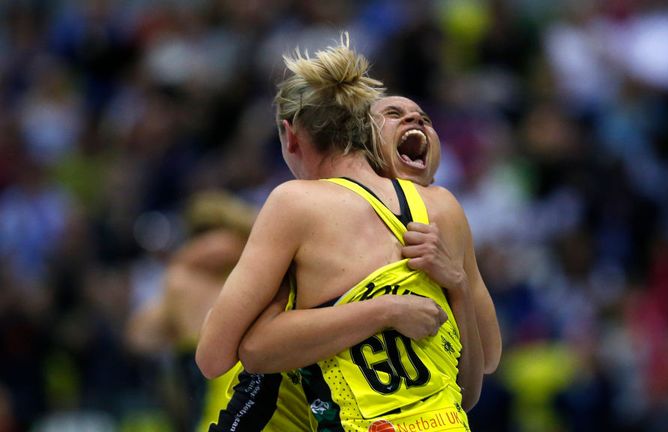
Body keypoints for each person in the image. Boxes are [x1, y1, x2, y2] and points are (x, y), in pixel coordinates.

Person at [196, 34, 485, 431]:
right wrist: (442, 292)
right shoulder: (439, 205)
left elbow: (213, 357)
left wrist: (387, 309)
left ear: (289, 134)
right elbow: (474, 380)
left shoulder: (295, 202)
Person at [125, 190, 256, 432]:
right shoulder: (181, 280)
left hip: (232, 389)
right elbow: (140, 338)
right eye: (199, 234)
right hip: (200, 388)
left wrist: (179, 259)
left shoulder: (250, 265)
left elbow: (223, 245)